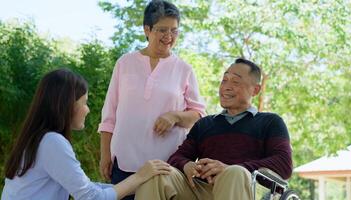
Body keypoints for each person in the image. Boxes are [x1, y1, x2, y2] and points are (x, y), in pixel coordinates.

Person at [135, 58, 293, 200]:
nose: (226, 87)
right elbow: (177, 157)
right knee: (156, 174)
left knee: (234, 174)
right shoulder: (205, 124)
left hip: (245, 189)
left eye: (235, 82)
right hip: (200, 189)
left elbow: (284, 164)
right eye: (224, 80)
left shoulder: (271, 122)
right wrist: (187, 165)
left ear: (255, 90)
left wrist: (230, 168)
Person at [1, 68, 171, 200]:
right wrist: (140, 176)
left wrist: (140, 182)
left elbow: (86, 188)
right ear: (67, 105)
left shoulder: (39, 138)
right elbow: (92, 197)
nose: (87, 110)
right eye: (84, 103)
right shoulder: (52, 142)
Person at [98, 1, 205, 199]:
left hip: (163, 168)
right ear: (147, 29)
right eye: (162, 30)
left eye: (174, 30)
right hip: (123, 163)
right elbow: (109, 114)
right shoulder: (125, 63)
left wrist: (175, 116)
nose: (169, 37)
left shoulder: (184, 70)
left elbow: (198, 116)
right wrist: (105, 155)